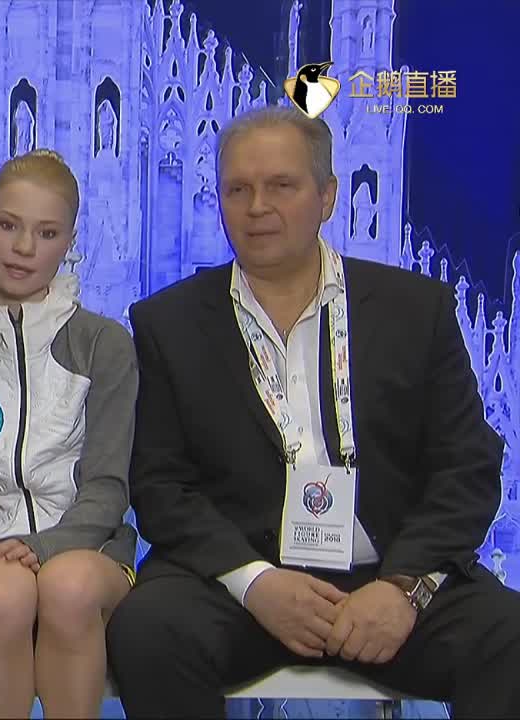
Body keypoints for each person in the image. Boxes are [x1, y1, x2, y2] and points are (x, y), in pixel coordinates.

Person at [107, 105, 520, 717]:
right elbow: (162, 485)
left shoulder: (416, 309)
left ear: (327, 197)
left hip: (389, 574)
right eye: (237, 189)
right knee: (148, 629)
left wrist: (403, 588)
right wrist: (256, 583)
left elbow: (468, 468)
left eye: (281, 185)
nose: (257, 207)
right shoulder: (167, 322)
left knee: (507, 636)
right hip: (243, 583)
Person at [0, 149, 137, 718]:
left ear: (70, 241)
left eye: (47, 233)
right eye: (9, 225)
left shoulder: (104, 344)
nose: (24, 247)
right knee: (5, 594)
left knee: (66, 587)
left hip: (89, 548)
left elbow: (107, 487)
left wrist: (45, 546)